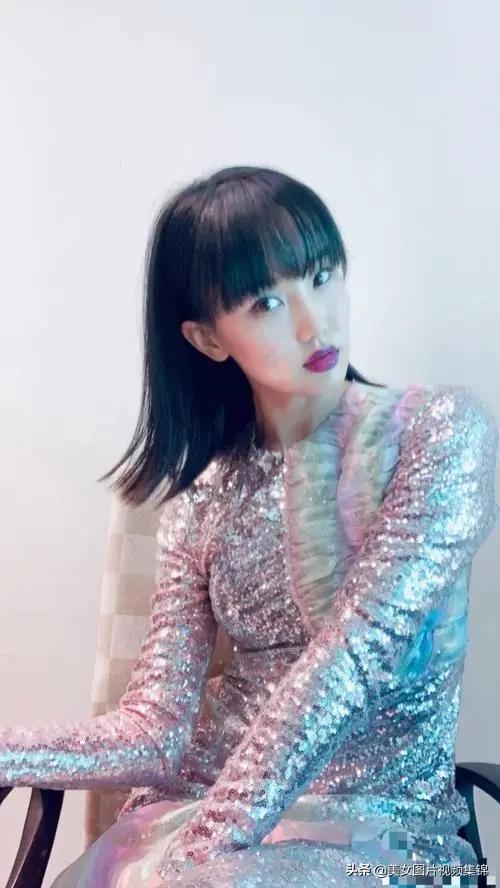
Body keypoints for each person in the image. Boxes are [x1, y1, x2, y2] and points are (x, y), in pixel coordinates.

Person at [1, 165, 499, 887]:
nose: (314, 322)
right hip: (194, 820)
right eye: (267, 301)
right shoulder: (202, 498)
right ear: (207, 339)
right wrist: (11, 750)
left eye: (322, 276)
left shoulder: (438, 433)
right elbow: (153, 729)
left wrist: (208, 850)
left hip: (382, 832)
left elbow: (355, 655)